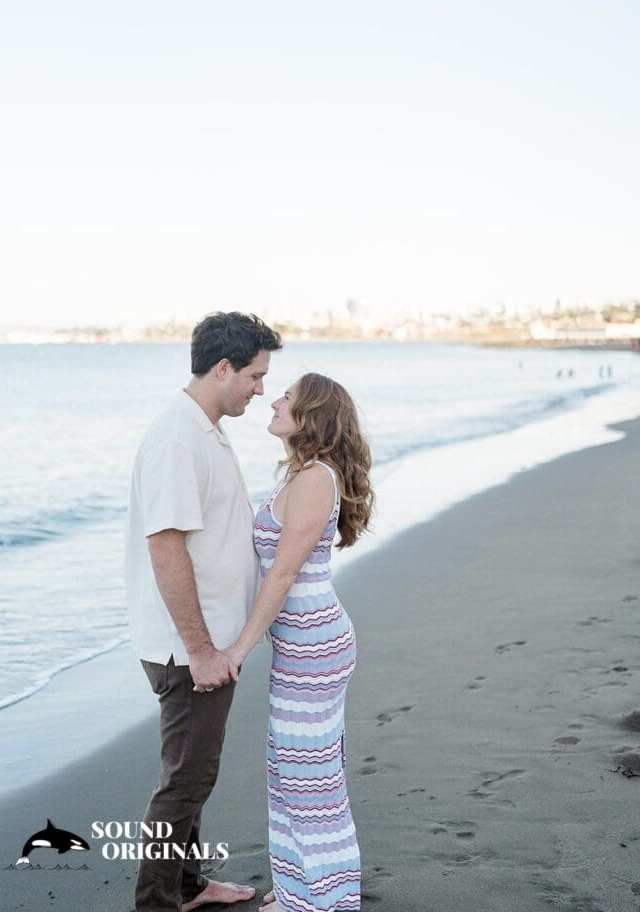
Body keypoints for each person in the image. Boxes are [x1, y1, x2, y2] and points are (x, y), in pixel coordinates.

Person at [124, 311, 282, 912]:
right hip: (189, 648)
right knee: (186, 781)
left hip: (207, 641)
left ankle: (189, 886)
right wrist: (201, 650)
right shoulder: (177, 438)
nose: (261, 388)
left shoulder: (205, 430)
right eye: (256, 375)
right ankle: (157, 903)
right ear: (224, 368)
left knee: (191, 774)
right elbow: (165, 547)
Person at [224, 372, 375, 912]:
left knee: (311, 784)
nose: (275, 399)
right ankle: (298, 892)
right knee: (292, 772)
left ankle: (328, 901)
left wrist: (239, 648)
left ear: (309, 415)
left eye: (287, 396)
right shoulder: (304, 475)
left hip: (314, 648)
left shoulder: (314, 480)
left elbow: (283, 574)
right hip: (303, 646)